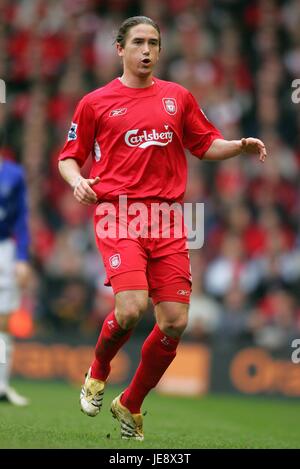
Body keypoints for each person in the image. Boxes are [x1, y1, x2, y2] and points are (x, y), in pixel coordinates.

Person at [58, 16, 267, 440]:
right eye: (138, 42)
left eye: (154, 42)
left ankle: (130, 403)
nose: (147, 50)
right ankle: (97, 372)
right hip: (119, 213)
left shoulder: (178, 97)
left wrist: (239, 147)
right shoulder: (95, 102)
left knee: (174, 322)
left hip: (170, 218)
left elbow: (205, 144)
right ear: (120, 48)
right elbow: (68, 156)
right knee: (131, 308)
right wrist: (78, 181)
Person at [0, 127, 31, 406]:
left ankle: (1, 385)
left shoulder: (14, 174)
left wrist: (22, 258)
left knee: (4, 322)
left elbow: (22, 219)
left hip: (4, 251)